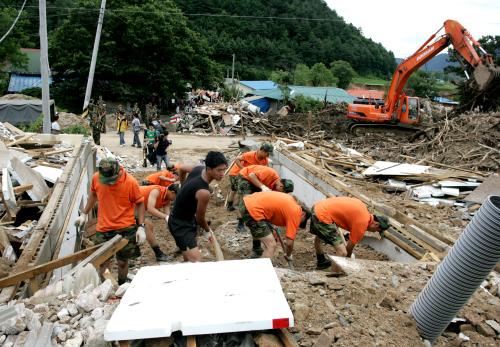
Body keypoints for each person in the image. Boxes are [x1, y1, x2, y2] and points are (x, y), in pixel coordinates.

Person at [74, 157, 146, 285]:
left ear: (118, 171)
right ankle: (106, 286)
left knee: (123, 261)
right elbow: (94, 194)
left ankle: (122, 284)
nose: (109, 183)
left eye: (111, 180)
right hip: (104, 228)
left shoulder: (130, 182)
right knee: (103, 261)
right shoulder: (96, 178)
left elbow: (140, 203)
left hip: (126, 227)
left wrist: (141, 226)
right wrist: (84, 214)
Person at [168, 151, 227, 262]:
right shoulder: (203, 192)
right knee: (197, 262)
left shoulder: (198, 169)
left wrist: (182, 185)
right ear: (209, 169)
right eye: (219, 170)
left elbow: (182, 168)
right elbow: (200, 219)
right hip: (179, 224)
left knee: (188, 258)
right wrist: (207, 230)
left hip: (188, 219)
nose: (223, 173)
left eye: (224, 169)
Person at [309, 197, 390, 274]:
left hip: (318, 207)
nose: (373, 232)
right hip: (323, 215)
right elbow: (349, 248)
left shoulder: (363, 209)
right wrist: (347, 263)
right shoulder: (362, 224)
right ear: (376, 224)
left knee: (320, 236)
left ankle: (321, 262)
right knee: (342, 252)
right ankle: (334, 277)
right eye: (376, 231)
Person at [240, 191, 310, 260]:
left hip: (246, 202)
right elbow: (289, 243)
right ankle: (260, 270)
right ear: (303, 214)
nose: (298, 223)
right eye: (301, 222)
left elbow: (271, 210)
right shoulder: (296, 212)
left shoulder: (291, 202)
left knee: (260, 231)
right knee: (271, 245)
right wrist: (288, 255)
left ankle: (257, 252)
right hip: (252, 209)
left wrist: (272, 232)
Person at [235, 165, 294, 232]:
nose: (280, 193)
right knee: (246, 200)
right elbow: (251, 175)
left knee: (258, 201)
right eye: (282, 192)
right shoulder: (270, 173)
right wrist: (263, 187)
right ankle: (240, 223)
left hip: (257, 182)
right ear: (281, 186)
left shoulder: (277, 188)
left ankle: (256, 218)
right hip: (246, 176)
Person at [227, 143, 273, 212]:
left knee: (235, 190)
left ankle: (231, 206)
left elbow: (266, 170)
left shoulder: (265, 160)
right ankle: (234, 207)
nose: (268, 156)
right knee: (239, 191)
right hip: (236, 173)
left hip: (246, 175)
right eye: (267, 154)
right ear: (262, 151)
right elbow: (236, 159)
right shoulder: (250, 155)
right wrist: (243, 169)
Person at [139, 184, 178, 261]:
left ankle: (179, 245)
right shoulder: (156, 191)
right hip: (129, 205)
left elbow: (168, 216)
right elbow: (150, 209)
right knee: (147, 226)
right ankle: (158, 254)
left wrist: (173, 225)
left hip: (138, 208)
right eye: (177, 197)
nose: (176, 199)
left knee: (149, 226)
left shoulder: (167, 199)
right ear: (173, 192)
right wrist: (165, 217)